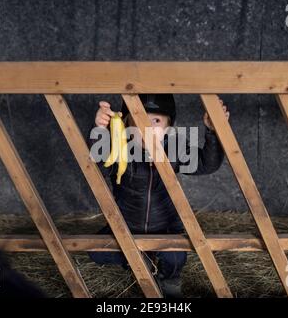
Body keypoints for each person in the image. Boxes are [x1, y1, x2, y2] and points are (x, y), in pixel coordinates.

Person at [87, 94, 230, 297]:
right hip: (127, 228)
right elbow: (98, 162)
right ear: (126, 124)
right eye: (139, 119)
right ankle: (138, 261)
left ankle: (169, 278)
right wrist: (100, 130)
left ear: (168, 128)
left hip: (166, 227)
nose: (146, 127)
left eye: (155, 121)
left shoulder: (174, 148)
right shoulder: (119, 149)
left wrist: (213, 132)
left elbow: (207, 164)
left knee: (175, 256)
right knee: (96, 251)